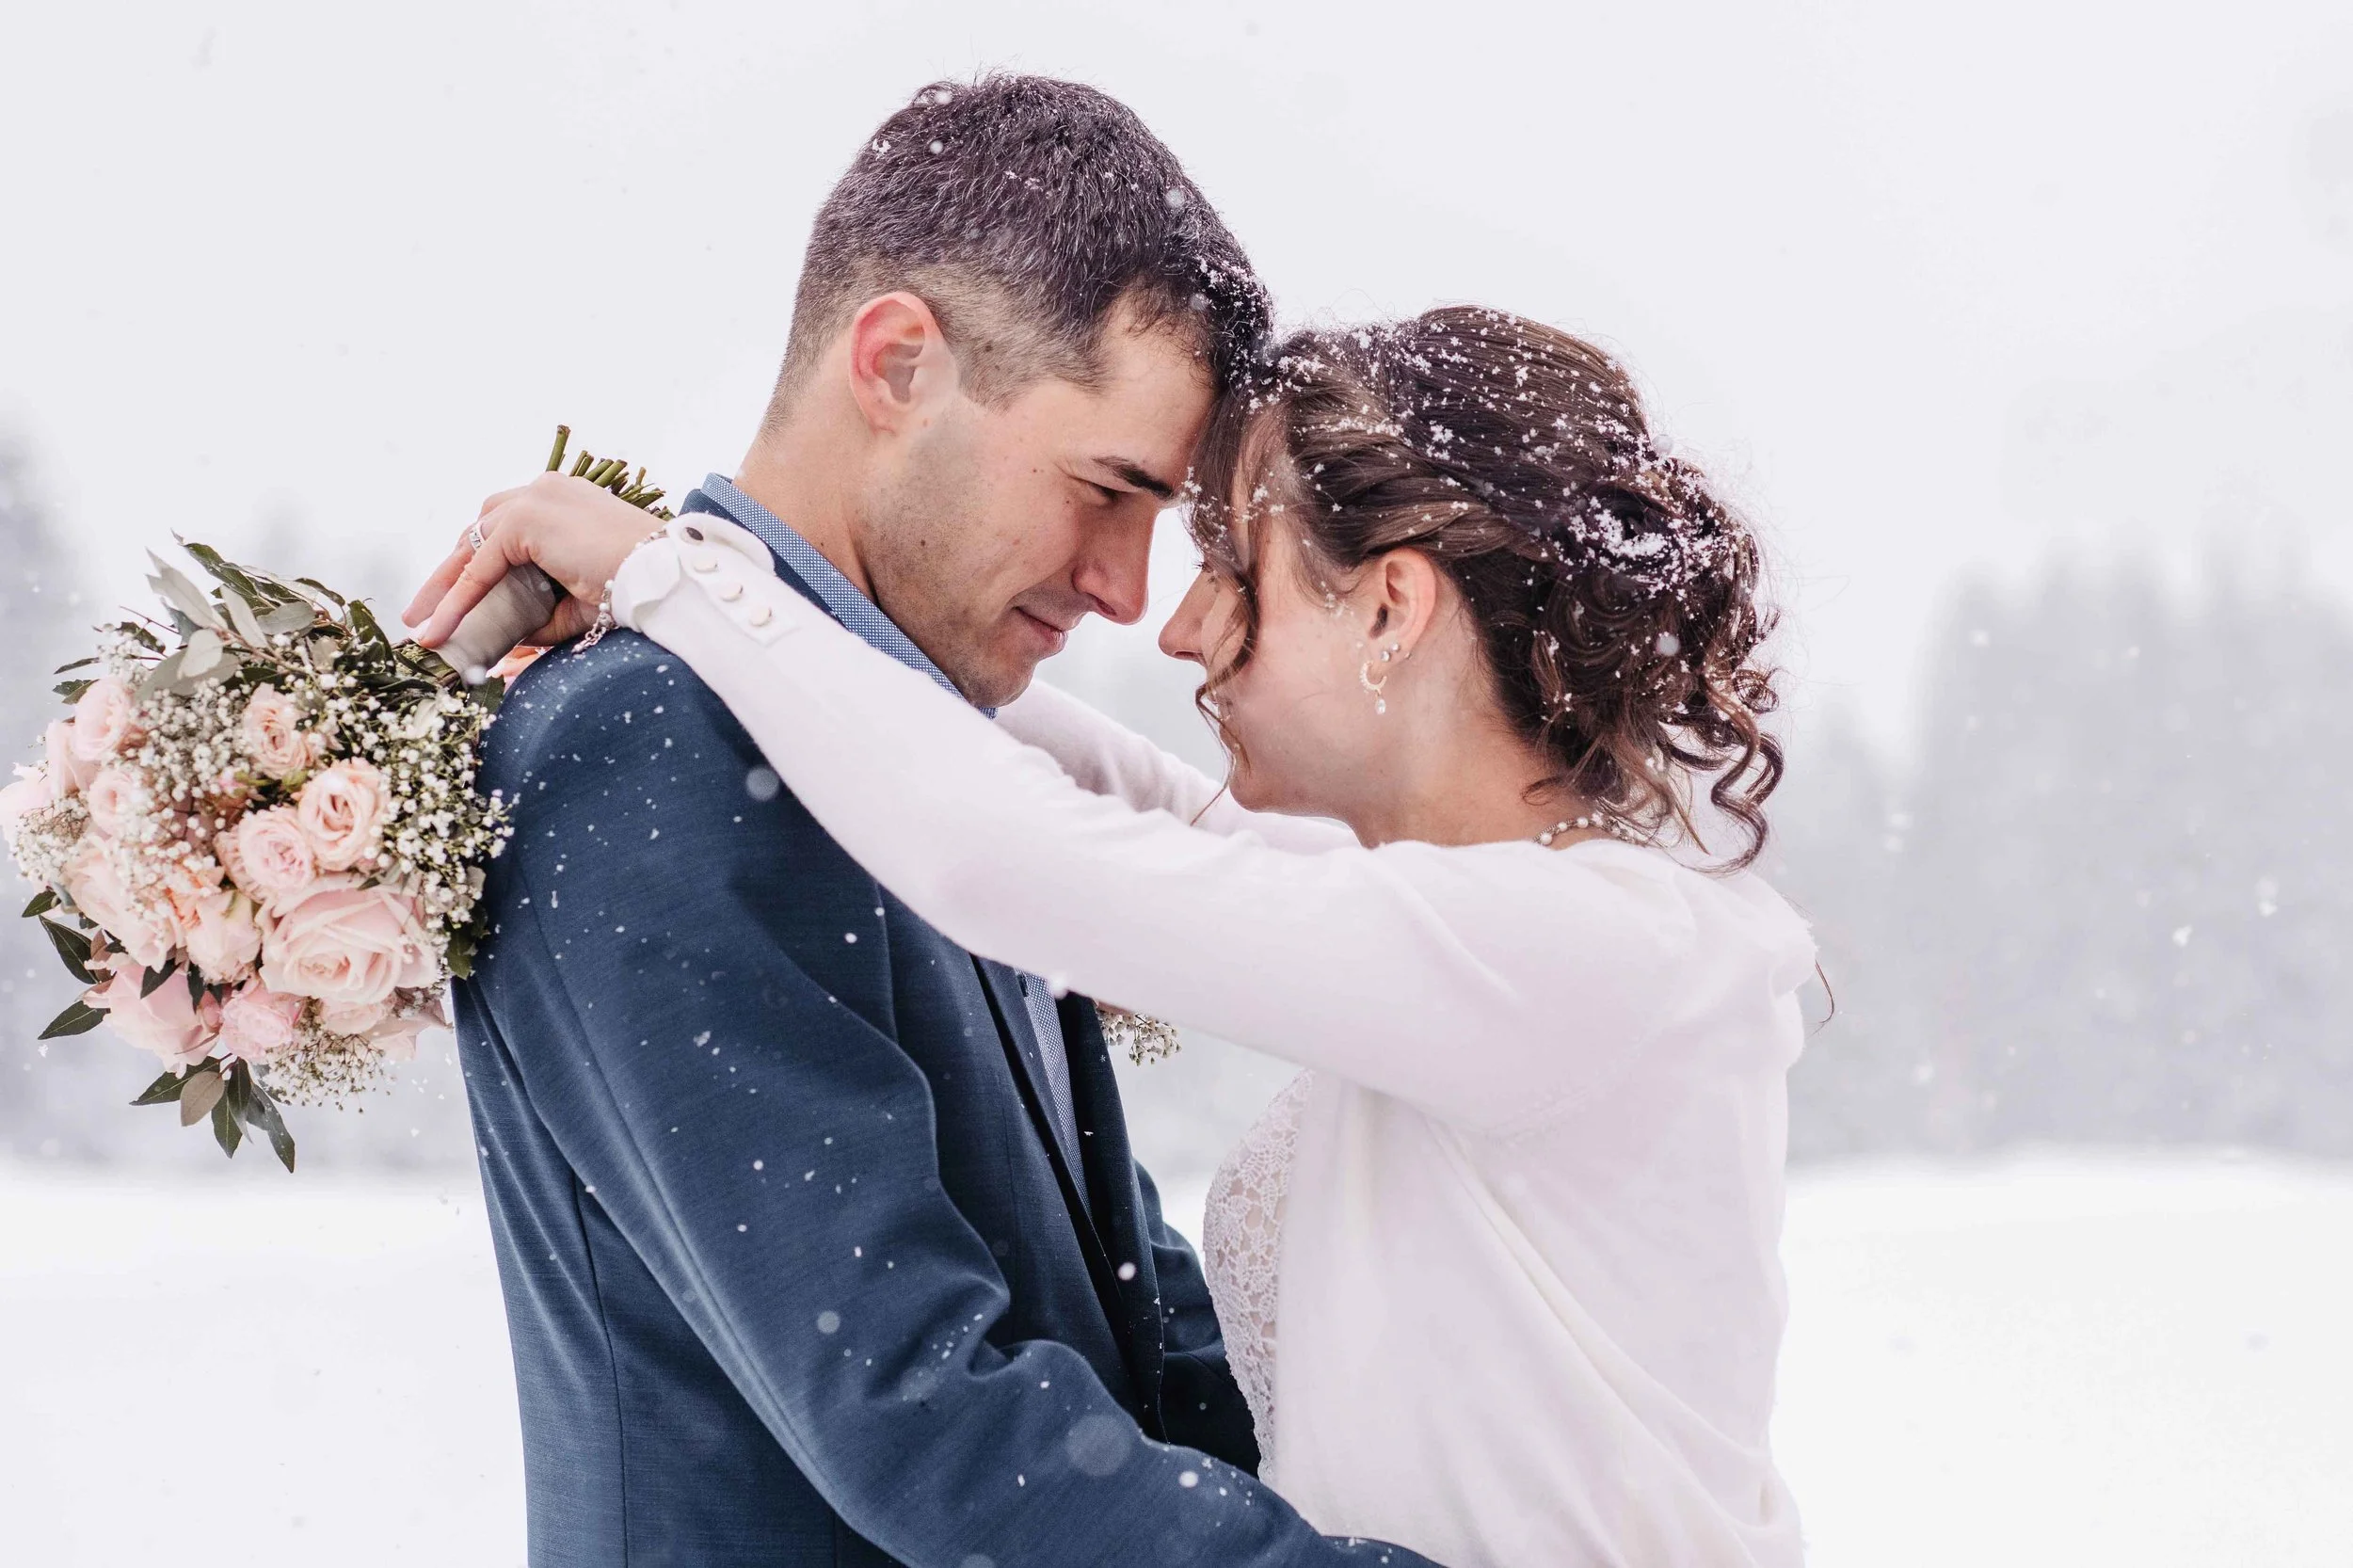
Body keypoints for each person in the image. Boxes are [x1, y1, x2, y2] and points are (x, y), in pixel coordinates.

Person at [417, 306, 1817, 1565]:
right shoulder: (1492, 928)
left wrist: (687, 588)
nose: (1179, 625)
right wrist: (778, 611)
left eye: (1234, 571)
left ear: (1390, 606)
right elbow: (1122, 810)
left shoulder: (1575, 951)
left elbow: (1023, 852)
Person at [404, 75, 1438, 1568]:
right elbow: (921, 1404)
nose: (1125, 590)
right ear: (897, 364)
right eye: (1108, 489)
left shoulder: (927, 754)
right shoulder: (651, 741)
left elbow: (1119, 1320)